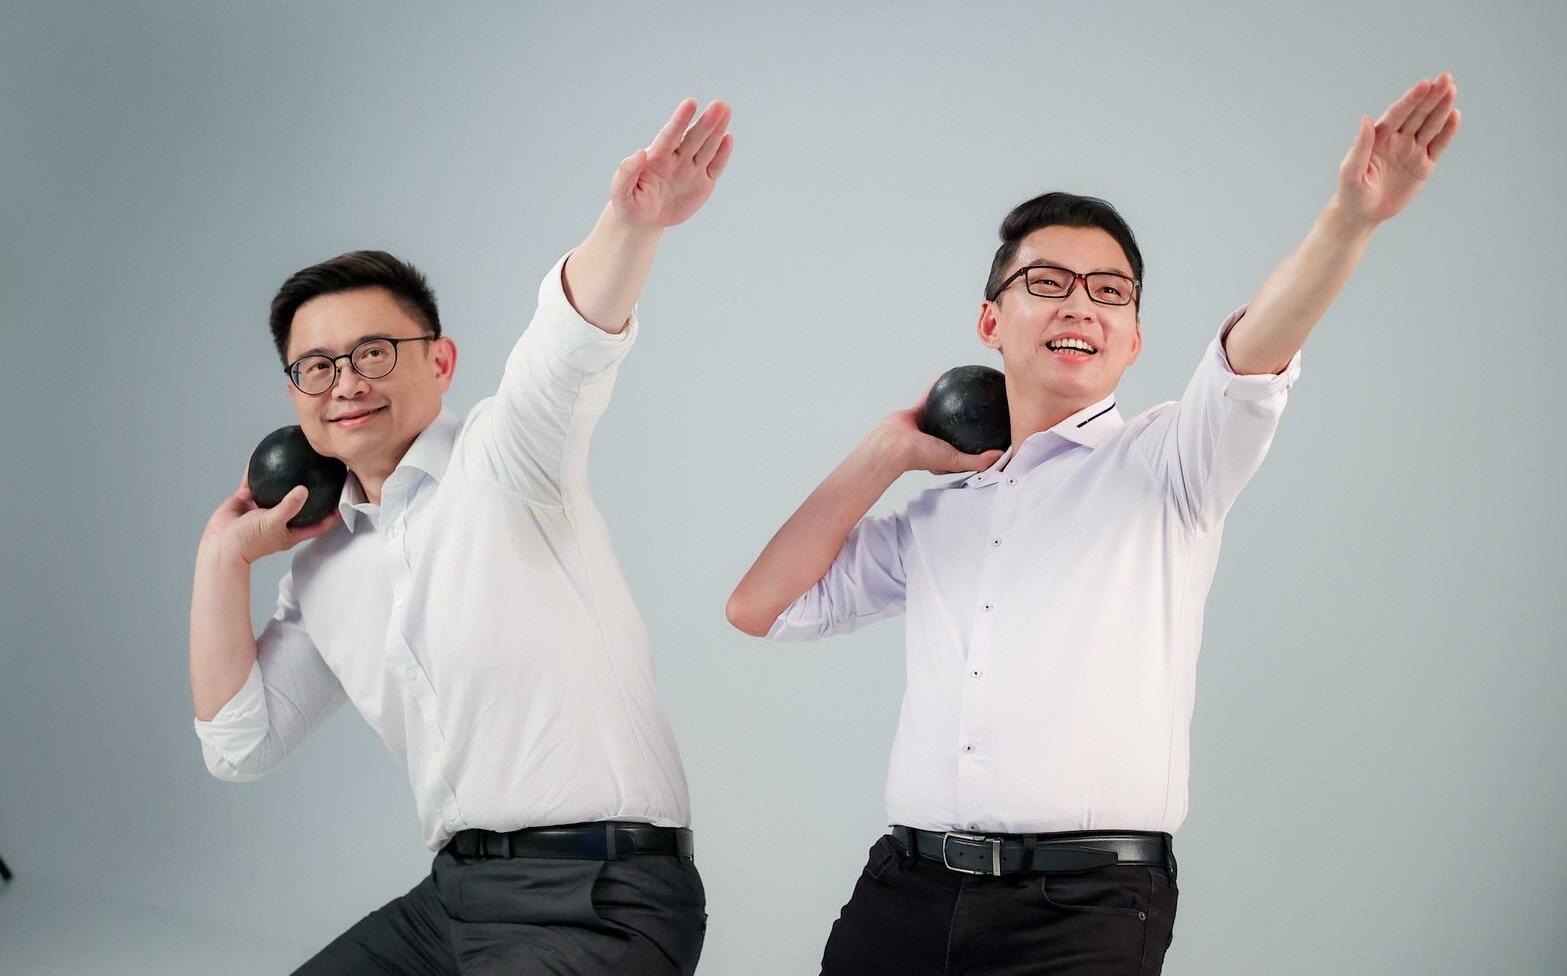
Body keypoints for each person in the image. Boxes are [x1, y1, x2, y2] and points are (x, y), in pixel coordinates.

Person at [727, 75, 1459, 975]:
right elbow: (758, 606)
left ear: (1133, 339)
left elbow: (1255, 350)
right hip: (904, 893)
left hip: (1081, 911)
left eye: (1110, 292)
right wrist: (882, 452)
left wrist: (1349, 220)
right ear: (990, 321)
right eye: (1047, 283)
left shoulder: (1173, 464)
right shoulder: (938, 515)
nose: (1080, 305)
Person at [189, 98, 734, 975]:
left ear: (439, 362)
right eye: (317, 367)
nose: (345, 384)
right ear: (295, 394)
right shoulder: (323, 569)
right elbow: (238, 745)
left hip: (601, 895)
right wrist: (222, 558)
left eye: (373, 353)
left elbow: (568, 343)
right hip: (449, 904)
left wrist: (631, 223)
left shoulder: (510, 455)